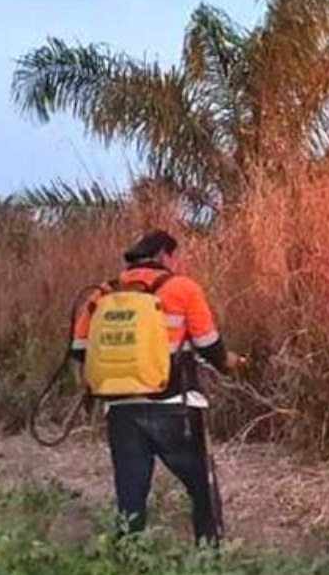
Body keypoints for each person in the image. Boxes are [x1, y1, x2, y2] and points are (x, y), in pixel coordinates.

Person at [69, 230, 243, 544]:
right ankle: (210, 555)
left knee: (131, 495)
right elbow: (208, 345)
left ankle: (129, 558)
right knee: (202, 487)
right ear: (164, 255)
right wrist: (229, 363)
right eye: (174, 256)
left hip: (121, 409)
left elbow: (79, 349)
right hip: (174, 405)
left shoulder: (102, 294)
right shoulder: (183, 288)